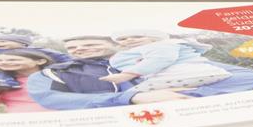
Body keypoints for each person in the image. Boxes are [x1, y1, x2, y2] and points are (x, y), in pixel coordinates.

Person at [27, 35, 253, 110]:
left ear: (116, 46)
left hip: (190, 115)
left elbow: (250, 77)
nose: (80, 49)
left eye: (89, 44)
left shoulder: (165, 58)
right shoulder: (53, 73)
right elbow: (51, 98)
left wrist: (191, 95)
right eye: (73, 48)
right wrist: (132, 97)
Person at [98, 29, 231, 91]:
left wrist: (126, 75)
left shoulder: (161, 45)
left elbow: (161, 59)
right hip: (193, 73)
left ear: (154, 39)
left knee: (136, 93)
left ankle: (187, 90)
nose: (129, 40)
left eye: (137, 37)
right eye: (123, 39)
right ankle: (188, 89)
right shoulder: (139, 50)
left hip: (184, 72)